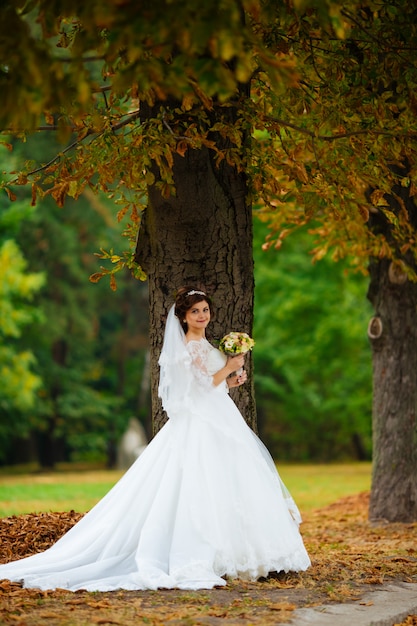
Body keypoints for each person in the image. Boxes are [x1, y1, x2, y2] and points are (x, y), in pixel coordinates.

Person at [0, 287, 310, 591]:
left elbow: (214, 385)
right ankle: (204, 554)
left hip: (219, 415)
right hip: (199, 422)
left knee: (232, 477)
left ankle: (248, 553)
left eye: (205, 310)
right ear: (184, 317)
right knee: (200, 482)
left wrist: (232, 378)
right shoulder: (189, 346)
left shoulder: (207, 344)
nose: (202, 316)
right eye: (195, 312)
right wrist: (227, 367)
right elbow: (199, 386)